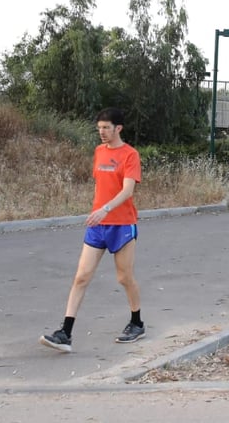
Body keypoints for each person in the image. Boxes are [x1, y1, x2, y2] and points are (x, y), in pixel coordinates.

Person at [40, 107, 144, 352]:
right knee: (81, 276)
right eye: (99, 128)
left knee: (124, 277)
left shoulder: (130, 155)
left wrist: (105, 209)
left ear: (118, 128)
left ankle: (137, 322)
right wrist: (98, 210)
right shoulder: (98, 152)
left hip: (122, 224)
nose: (102, 132)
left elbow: (127, 191)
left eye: (106, 128)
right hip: (98, 225)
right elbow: (102, 185)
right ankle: (65, 333)